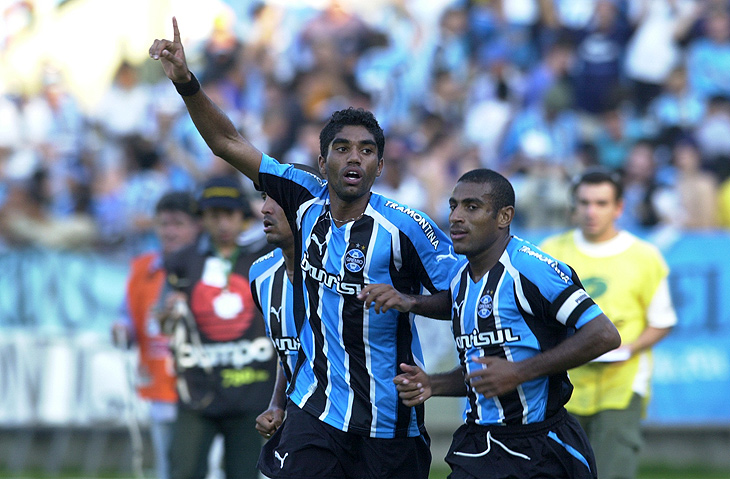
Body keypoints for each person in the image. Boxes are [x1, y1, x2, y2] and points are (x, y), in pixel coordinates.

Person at [150, 18, 458, 479]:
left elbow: (463, 297)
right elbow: (226, 142)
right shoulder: (302, 197)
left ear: (379, 166)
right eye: (342, 148)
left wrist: (409, 301)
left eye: (366, 151)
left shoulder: (406, 228)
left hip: (389, 422)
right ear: (322, 160)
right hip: (317, 413)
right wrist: (186, 82)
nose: (354, 157)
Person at [362, 168, 622, 479]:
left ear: (504, 216)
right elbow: (487, 370)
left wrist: (520, 372)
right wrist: (433, 384)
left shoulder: (530, 268)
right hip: (481, 444)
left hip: (542, 447)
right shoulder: (461, 279)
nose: (456, 217)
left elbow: (604, 334)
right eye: (453, 206)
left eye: (471, 207)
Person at [539, 169, 677, 479]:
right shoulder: (550, 252)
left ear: (619, 207)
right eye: (584, 202)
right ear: (573, 206)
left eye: (601, 203)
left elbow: (662, 321)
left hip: (622, 385)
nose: (591, 211)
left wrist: (628, 348)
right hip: (562, 383)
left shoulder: (645, 256)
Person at [163, 176, 277, 479]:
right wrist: (168, 313)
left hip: (252, 389)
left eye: (230, 214)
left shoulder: (266, 256)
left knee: (244, 473)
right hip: (198, 391)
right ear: (202, 218)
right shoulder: (182, 262)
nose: (223, 223)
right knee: (184, 471)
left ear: (244, 216)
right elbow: (162, 324)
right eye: (214, 215)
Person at [112, 191, 201, 479]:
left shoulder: (209, 265)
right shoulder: (142, 268)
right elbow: (127, 317)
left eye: (178, 224)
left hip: (203, 384)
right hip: (160, 381)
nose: (170, 231)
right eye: (164, 224)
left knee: (208, 465)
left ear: (197, 226)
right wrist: (122, 329)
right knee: (167, 466)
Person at [249, 191, 298, 440]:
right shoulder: (261, 274)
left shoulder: (343, 269)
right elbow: (288, 350)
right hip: (304, 418)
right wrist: (277, 403)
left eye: (277, 198)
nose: (265, 208)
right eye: (263, 197)